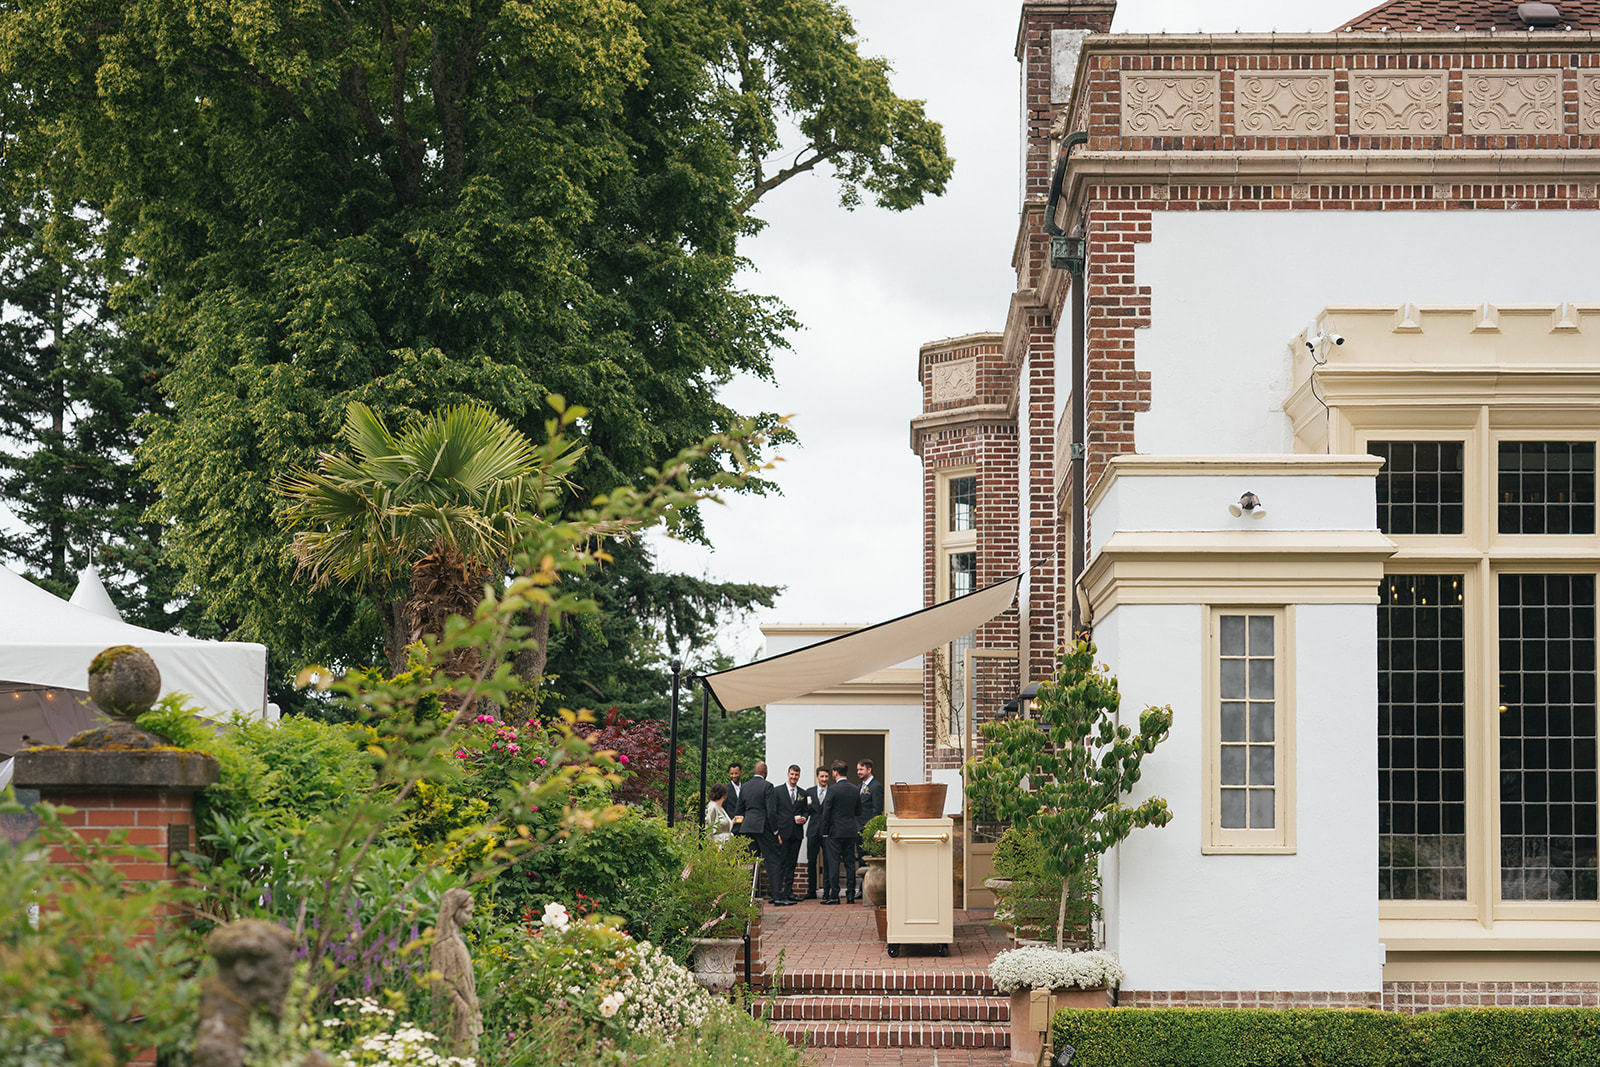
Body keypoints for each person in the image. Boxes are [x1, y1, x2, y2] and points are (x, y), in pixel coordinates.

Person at [737, 761, 793, 905]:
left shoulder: (745, 786)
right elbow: (771, 811)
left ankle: (747, 896)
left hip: (747, 827)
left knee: (750, 861)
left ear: (754, 771)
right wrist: (775, 831)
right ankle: (778, 897)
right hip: (763, 827)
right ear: (765, 772)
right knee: (773, 860)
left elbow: (739, 810)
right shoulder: (767, 786)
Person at [817, 760, 861, 905]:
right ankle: (850, 895)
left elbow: (826, 812)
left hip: (835, 832)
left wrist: (824, 832)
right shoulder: (855, 789)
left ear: (835, 772)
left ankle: (834, 896)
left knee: (834, 863)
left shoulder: (833, 790)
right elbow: (858, 811)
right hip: (850, 830)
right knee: (850, 863)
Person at [772, 764, 808, 902]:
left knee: (792, 863)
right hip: (782, 833)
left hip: (796, 833)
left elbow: (805, 810)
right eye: (792, 774)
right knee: (781, 862)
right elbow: (773, 813)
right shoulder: (777, 791)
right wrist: (776, 833)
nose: (794, 777)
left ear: (799, 776)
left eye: (796, 775)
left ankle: (789, 892)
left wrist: (804, 818)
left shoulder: (802, 793)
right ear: (788, 774)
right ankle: (778, 893)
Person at [802, 767, 829, 898]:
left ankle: (827, 891)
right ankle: (811, 891)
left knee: (828, 861)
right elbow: (806, 811)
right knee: (811, 861)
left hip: (827, 831)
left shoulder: (832, 792)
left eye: (826, 777)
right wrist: (804, 818)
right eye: (822, 776)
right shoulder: (809, 792)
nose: (824, 779)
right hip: (812, 831)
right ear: (817, 777)